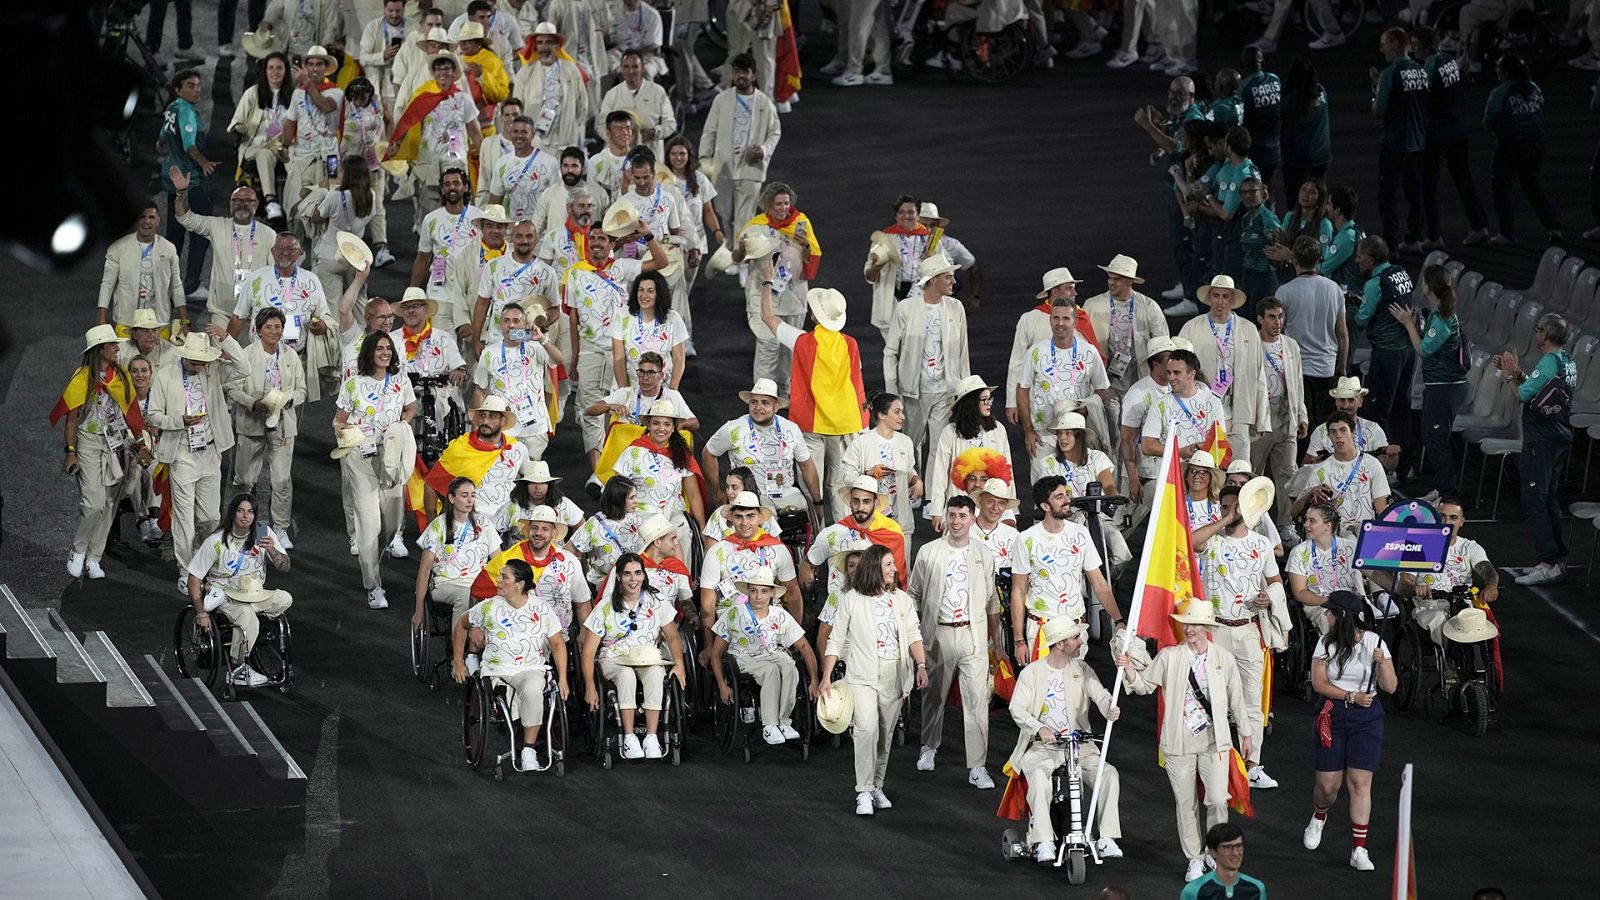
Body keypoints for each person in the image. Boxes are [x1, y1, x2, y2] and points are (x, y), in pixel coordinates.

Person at [1115, 604, 1252, 883]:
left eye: (1195, 624)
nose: (1189, 629)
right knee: (1185, 803)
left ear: (1207, 628)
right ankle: (1194, 858)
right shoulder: (1169, 656)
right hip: (1178, 743)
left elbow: (1237, 699)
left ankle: (1214, 852)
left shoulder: (1223, 658)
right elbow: (1143, 686)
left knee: (1218, 799)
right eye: (1186, 624)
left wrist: (1246, 734)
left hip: (1215, 741)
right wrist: (1128, 669)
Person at [820, 544, 928, 816]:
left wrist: (921, 664)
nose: (894, 569)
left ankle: (877, 785)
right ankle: (864, 790)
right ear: (874, 567)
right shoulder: (851, 600)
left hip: (894, 673)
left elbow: (914, 634)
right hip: (862, 675)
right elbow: (836, 640)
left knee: (884, 733)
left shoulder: (902, 600)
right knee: (866, 729)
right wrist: (825, 677)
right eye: (889, 564)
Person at [1006, 616, 1124, 865]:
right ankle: (1043, 840)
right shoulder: (1032, 673)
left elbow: (1101, 695)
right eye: (1075, 637)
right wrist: (1039, 727)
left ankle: (1106, 837)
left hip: (1080, 746)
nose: (1081, 641)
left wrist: (1109, 708)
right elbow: (1017, 709)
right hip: (1043, 747)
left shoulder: (1082, 669)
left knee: (1108, 774)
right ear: (1059, 644)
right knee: (1040, 777)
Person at [1192, 484, 1284, 789]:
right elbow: (1191, 541)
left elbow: (1275, 581)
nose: (1229, 511)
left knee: (1252, 701)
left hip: (1248, 630)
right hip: (1215, 630)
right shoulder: (1213, 540)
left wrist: (1269, 597)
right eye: (1224, 506)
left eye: (1235, 506)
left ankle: (1253, 765)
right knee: (1213, 700)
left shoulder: (1261, 544)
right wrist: (1225, 519)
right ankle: (1215, 764)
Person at [909, 495, 1001, 788]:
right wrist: (915, 637)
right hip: (938, 633)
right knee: (933, 695)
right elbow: (914, 595)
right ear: (946, 518)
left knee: (977, 701)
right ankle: (928, 747)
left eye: (962, 516)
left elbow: (991, 600)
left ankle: (977, 766)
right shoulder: (928, 552)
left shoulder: (983, 553)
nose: (956, 521)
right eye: (952, 515)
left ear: (972, 518)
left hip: (973, 636)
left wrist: (996, 644)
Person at [565, 219, 667, 477]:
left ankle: (620, 466)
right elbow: (573, 318)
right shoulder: (575, 272)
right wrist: (574, 357)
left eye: (602, 238)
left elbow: (662, 262)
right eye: (593, 238)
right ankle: (599, 473)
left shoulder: (622, 267)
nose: (596, 243)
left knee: (620, 405)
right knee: (590, 409)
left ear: (612, 244)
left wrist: (648, 235)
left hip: (620, 349)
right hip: (589, 349)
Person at [758, 281, 868, 518]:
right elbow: (857, 383)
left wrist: (767, 282)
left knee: (811, 488)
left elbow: (767, 317)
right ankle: (843, 536)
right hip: (845, 425)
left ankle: (817, 532)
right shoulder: (850, 344)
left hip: (811, 425)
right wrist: (864, 428)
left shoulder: (801, 340)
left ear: (817, 315)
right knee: (840, 487)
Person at [1305, 590, 1397, 872]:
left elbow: (1391, 687)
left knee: (1360, 782)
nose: (1326, 614)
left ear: (1341, 615)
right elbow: (1319, 683)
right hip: (1333, 714)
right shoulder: (1325, 642)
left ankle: (1359, 848)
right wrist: (1350, 696)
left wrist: (1382, 663)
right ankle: (1319, 815)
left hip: (1367, 718)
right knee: (1328, 787)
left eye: (1330, 611)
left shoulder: (1374, 642)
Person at [148, 329, 247, 590]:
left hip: (210, 452)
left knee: (211, 517)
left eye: (203, 362)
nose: (199, 366)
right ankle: (186, 570)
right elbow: (153, 415)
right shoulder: (165, 375)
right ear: (184, 357)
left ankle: (205, 563)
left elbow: (244, 367)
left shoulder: (214, 370)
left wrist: (226, 338)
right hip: (182, 452)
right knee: (184, 519)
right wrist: (179, 421)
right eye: (195, 363)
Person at [454, 557, 571, 772]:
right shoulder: (489, 606)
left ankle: (528, 750)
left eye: (504, 577)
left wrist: (563, 678)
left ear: (520, 584)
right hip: (496, 671)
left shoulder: (542, 608)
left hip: (530, 668)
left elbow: (557, 644)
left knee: (533, 688)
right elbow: (461, 625)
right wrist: (458, 661)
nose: (498, 581)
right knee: (511, 694)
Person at [333, 331, 419, 609]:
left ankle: (374, 556)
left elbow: (411, 408)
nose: (385, 353)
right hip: (361, 457)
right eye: (379, 348)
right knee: (369, 523)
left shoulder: (401, 380)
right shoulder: (353, 384)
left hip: (392, 456)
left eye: (388, 348)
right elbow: (338, 419)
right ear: (369, 352)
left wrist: (401, 426)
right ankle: (373, 585)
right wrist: (342, 430)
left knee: (392, 523)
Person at [55, 326, 147, 579]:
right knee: (93, 503)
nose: (118, 348)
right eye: (112, 345)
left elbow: (132, 412)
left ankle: (94, 557)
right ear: (99, 350)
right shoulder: (82, 379)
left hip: (116, 443)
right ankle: (78, 550)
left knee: (109, 503)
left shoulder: (121, 376)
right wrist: (70, 451)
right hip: (89, 442)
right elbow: (71, 419)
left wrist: (141, 443)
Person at [580, 552, 690, 760]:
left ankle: (651, 737)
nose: (633, 579)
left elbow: (673, 637)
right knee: (626, 675)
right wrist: (590, 686)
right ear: (619, 577)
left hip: (647, 656)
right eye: (627, 574)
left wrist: (679, 665)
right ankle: (629, 736)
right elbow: (588, 652)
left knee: (656, 674)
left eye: (638, 573)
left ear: (644, 575)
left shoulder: (656, 601)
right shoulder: (605, 606)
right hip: (614, 658)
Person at [1011, 476, 1125, 662]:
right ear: (1045, 506)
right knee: (1043, 681)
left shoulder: (1080, 533)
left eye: (1066, 494)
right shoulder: (1025, 539)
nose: (1067, 500)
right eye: (1059, 497)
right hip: (1042, 629)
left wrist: (1119, 620)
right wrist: (1018, 641)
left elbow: (1099, 583)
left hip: (1075, 628)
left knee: (1076, 680)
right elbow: (1018, 590)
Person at [185, 493, 294, 688]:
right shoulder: (216, 541)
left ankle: (252, 631)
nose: (246, 516)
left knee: (285, 598)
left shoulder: (263, 532)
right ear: (233, 513)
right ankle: (238, 669)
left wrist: (272, 550)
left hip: (255, 594)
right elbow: (193, 579)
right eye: (241, 511)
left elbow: (285, 566)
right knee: (247, 615)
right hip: (227, 597)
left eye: (250, 512)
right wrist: (201, 613)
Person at [1499, 313, 1577, 585]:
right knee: (1547, 497)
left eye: (1538, 329)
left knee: (1534, 499)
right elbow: (1542, 386)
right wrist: (1519, 374)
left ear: (1544, 334)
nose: (1536, 333)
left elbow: (1522, 395)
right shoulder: (1566, 360)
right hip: (1560, 435)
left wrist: (1508, 377)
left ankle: (1548, 562)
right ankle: (1557, 559)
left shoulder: (1547, 362)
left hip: (1542, 439)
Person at [709, 565, 819, 746]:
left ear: (772, 594)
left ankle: (783, 722)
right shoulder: (734, 614)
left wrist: (814, 680)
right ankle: (769, 725)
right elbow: (715, 654)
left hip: (773, 653)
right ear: (748, 592)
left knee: (789, 667)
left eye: (764, 591)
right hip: (743, 657)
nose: (758, 596)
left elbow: (805, 648)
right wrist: (722, 685)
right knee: (771, 670)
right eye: (754, 591)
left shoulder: (780, 615)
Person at [732, 183, 821, 393]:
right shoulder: (755, 227)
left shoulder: (801, 222)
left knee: (789, 349)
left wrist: (805, 245)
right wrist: (742, 249)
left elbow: (813, 257)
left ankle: (783, 393)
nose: (783, 208)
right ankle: (763, 394)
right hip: (763, 296)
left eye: (786, 203)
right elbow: (737, 258)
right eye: (778, 204)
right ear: (768, 205)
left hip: (794, 296)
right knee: (768, 345)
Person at [228, 308, 305, 542]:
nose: (274, 331)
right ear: (258, 330)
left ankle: (279, 529)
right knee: (244, 480)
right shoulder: (246, 355)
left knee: (281, 480)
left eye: (278, 327)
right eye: (268, 327)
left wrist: (287, 400)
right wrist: (253, 403)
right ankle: (241, 525)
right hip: (251, 423)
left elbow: (302, 390)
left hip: (282, 425)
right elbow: (232, 389)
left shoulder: (291, 356)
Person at [806, 476, 908, 652]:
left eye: (866, 501)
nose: (860, 507)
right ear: (850, 502)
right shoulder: (833, 533)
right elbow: (807, 565)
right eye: (856, 501)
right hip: (838, 608)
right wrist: (808, 607)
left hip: (879, 614)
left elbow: (897, 578)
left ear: (876, 503)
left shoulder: (891, 533)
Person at [1389, 264, 1466, 496]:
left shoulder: (1443, 320)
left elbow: (1424, 349)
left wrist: (1408, 324)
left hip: (1445, 389)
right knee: (1432, 439)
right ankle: (1442, 489)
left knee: (1436, 442)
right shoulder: (1436, 313)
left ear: (1429, 286)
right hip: (1439, 387)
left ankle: (1448, 495)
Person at [172, 168, 277, 329]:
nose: (241, 204)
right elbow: (185, 218)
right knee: (221, 347)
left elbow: (275, 273)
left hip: (255, 314)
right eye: (236, 200)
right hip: (221, 313)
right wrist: (181, 193)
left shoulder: (269, 234)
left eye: (247, 201)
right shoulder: (217, 225)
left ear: (256, 204)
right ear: (230, 204)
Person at [1178, 275, 1266, 463]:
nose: (1220, 301)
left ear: (1232, 300)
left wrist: (1262, 418)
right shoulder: (1192, 327)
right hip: (1201, 410)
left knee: (1240, 466)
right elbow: (1178, 370)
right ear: (1209, 298)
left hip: (1239, 410)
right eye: (1216, 295)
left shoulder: (1249, 329)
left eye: (1225, 296)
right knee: (1204, 465)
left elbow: (1259, 375)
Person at [1414, 27, 1490, 249]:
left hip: (1438, 132)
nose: (1412, 48)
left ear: (1425, 47)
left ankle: (1434, 236)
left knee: (1428, 184)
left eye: (1415, 44)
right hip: (1458, 128)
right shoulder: (1448, 61)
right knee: (1463, 179)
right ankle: (1480, 226)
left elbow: (1422, 100)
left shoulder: (1429, 68)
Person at [1030, 410, 1133, 571]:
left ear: (1079, 436)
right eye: (1059, 433)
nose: (1062, 438)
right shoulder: (1048, 463)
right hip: (1067, 519)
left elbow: (1108, 485)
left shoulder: (1097, 457)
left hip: (1098, 516)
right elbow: (1048, 494)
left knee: (1122, 554)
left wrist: (1113, 497)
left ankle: (1107, 581)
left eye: (1068, 433)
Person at [702, 378, 821, 516]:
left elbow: (806, 465)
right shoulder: (733, 428)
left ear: (776, 407)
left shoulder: (791, 429)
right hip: (748, 495)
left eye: (765, 403)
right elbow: (708, 453)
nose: (758, 407)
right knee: (766, 513)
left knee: (803, 508)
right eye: (754, 402)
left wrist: (818, 502)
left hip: (785, 492)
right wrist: (717, 490)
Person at [1392, 496, 1500, 645]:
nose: (1447, 522)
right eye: (1442, 516)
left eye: (1453, 518)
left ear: (1461, 521)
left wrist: (1491, 585)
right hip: (1430, 607)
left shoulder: (1469, 547)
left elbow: (1487, 570)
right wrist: (1415, 588)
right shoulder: (1419, 547)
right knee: (1440, 619)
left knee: (1478, 623)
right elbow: (1403, 583)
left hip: (1463, 606)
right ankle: (1447, 660)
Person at [698, 490, 803, 639]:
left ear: (760, 518)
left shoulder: (777, 549)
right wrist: (709, 644)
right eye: (738, 517)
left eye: (750, 516)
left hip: (771, 624)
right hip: (731, 627)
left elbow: (793, 593)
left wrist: (795, 637)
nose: (744, 522)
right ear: (731, 519)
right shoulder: (717, 552)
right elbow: (707, 604)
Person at [1082, 254, 1170, 428]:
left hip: (1140, 382)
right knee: (1112, 433)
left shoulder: (1148, 306)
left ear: (1129, 281)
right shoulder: (1092, 306)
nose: (1111, 282)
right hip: (1107, 383)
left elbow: (1163, 346)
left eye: (1117, 279)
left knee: (1140, 430)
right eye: (1110, 278)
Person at [1484, 53, 1563, 246]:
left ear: (1505, 72)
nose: (1497, 71)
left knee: (1501, 188)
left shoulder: (1500, 92)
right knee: (1532, 185)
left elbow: (1488, 121)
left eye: (1499, 68)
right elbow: (1540, 109)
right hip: (1536, 142)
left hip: (1511, 144)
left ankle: (1506, 233)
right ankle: (1553, 227)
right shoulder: (1533, 88)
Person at [700, 53, 782, 235]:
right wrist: (704, 159)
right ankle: (731, 249)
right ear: (732, 74)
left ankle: (741, 252)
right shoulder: (721, 100)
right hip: (723, 167)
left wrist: (764, 150)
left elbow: (775, 132)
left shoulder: (764, 103)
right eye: (737, 71)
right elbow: (709, 131)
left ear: (754, 75)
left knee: (744, 218)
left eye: (745, 72)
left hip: (751, 168)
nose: (741, 76)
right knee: (725, 216)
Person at [473, 505, 593, 628]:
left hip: (560, 634)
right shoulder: (508, 559)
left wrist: (584, 633)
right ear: (528, 530)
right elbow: (481, 592)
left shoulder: (568, 561)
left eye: (545, 529)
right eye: (534, 528)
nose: (538, 533)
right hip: (515, 632)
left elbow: (582, 603)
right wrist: (480, 628)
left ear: (553, 533)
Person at [613, 399, 706, 551]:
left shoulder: (682, 455)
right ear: (648, 425)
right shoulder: (633, 451)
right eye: (656, 423)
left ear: (673, 428)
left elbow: (694, 495)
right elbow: (617, 489)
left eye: (667, 424)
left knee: (683, 531)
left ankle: (681, 568)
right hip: (641, 513)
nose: (661, 428)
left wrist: (702, 527)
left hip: (673, 514)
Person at [472, 302, 564, 454]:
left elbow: (559, 359)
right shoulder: (489, 352)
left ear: (525, 324)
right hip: (504, 427)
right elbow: (479, 390)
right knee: (506, 467)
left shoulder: (536, 347)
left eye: (516, 321)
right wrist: (478, 423)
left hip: (535, 425)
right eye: (506, 321)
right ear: (500, 325)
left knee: (533, 468)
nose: (511, 325)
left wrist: (542, 339)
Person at [159, 69, 217, 301]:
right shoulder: (186, 112)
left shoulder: (171, 108)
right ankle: (191, 286)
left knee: (174, 234)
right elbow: (189, 145)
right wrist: (204, 163)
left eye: (198, 85)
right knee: (200, 232)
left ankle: (166, 285)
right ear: (178, 90)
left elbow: (162, 138)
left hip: (171, 178)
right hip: (191, 181)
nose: (197, 90)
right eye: (190, 86)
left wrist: (162, 143)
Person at [1275, 235, 1347, 426]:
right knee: (1324, 426)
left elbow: (1277, 331)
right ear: (1319, 259)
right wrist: (1342, 367)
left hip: (1297, 369)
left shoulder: (1284, 291)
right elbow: (1342, 333)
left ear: (1294, 259)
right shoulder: (1335, 290)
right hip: (1327, 368)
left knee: (1300, 425)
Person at [415, 475, 501, 630]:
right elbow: (424, 570)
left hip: (478, 582)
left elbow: (499, 562)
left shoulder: (484, 523)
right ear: (452, 498)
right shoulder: (438, 526)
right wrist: (419, 609)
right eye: (464, 495)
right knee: (466, 594)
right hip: (445, 584)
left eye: (472, 495)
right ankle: (459, 644)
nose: (470, 500)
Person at [1351, 236, 1415, 441]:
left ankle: (1381, 456)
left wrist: (1347, 312)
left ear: (1370, 259)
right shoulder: (1400, 272)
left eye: (1359, 256)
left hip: (1387, 352)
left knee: (1378, 408)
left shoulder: (1374, 284)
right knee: (1401, 405)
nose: (1356, 260)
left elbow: (1361, 319)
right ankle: (1403, 456)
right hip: (1407, 350)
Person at [926, 376, 1010, 531]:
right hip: (959, 505)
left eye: (989, 399)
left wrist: (1011, 510)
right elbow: (940, 473)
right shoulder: (950, 432)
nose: (989, 404)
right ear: (971, 403)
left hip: (991, 505)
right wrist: (937, 510)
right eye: (984, 400)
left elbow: (1006, 471)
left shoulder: (998, 429)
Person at [1371, 27, 1428, 253]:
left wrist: (1376, 89)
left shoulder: (1390, 74)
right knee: (1415, 193)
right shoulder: (1421, 71)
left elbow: (1379, 110)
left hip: (1394, 143)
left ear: (1395, 43)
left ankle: (1391, 245)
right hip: (1418, 142)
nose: (1381, 49)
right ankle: (1415, 238)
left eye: (1384, 44)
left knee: (1388, 196)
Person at [1291, 413, 1392, 533]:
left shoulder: (1372, 464)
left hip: (1364, 533)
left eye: (1343, 430)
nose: (1338, 436)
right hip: (1332, 536)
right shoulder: (1320, 470)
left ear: (1353, 433)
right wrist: (1311, 493)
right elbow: (1293, 512)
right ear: (1329, 436)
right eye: (1333, 432)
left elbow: (1381, 508)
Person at [97, 204, 186, 337]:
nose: (147, 221)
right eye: (142, 217)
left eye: (151, 217)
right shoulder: (118, 248)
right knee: (126, 352)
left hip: (159, 323)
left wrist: (184, 320)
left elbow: (176, 285)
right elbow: (107, 285)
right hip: (127, 322)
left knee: (162, 352)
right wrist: (101, 317)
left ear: (158, 220)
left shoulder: (169, 249)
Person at [1253, 297, 1307, 514]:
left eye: (1280, 316)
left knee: (1288, 476)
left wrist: (1301, 415)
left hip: (1286, 418)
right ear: (1260, 319)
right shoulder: (1251, 344)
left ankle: (1287, 524)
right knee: (1254, 474)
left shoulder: (1291, 345)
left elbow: (1298, 382)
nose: (1278, 322)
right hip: (1259, 420)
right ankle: (1254, 521)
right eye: (1272, 317)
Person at [281, 47, 346, 223]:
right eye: (310, 64)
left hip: (330, 157)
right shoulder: (298, 93)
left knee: (328, 201)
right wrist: (283, 146)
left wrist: (306, 83)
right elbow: (291, 122)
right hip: (303, 156)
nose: (315, 68)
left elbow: (325, 106)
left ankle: (323, 240)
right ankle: (298, 240)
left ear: (326, 68)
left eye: (319, 64)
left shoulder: (336, 92)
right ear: (305, 67)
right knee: (297, 203)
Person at [228, 52, 293, 223]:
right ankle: (271, 201)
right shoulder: (252, 93)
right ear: (264, 71)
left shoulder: (294, 95)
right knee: (264, 154)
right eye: (270, 68)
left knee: (301, 162)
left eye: (279, 68)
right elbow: (236, 121)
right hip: (256, 145)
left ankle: (296, 207)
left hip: (283, 145)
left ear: (286, 71)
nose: (275, 72)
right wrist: (239, 127)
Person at [839, 394, 921, 529]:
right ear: (882, 415)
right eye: (897, 412)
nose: (902, 417)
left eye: (902, 412)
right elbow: (846, 475)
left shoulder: (905, 441)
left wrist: (916, 480)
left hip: (901, 520)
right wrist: (867, 474)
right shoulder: (861, 442)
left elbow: (909, 469)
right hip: (871, 521)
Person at [1140, 348, 1228, 466]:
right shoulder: (1160, 405)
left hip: (1203, 471)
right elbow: (1147, 446)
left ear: (1192, 374)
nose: (1171, 377)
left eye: (1176, 373)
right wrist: (1180, 451)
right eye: (1168, 372)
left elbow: (1220, 443)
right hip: (1172, 473)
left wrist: (1203, 447)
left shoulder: (1213, 402)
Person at [308, 156, 379, 303]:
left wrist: (322, 191)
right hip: (355, 257)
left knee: (331, 305)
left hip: (330, 256)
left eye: (341, 171)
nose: (338, 174)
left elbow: (316, 217)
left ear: (348, 175)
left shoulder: (335, 197)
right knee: (358, 303)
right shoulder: (371, 196)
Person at [511, 23, 590, 151]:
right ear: (535, 46)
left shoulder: (571, 70)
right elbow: (517, 109)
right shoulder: (525, 73)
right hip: (535, 145)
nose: (544, 47)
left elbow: (582, 106)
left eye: (549, 42)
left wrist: (575, 133)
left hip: (566, 144)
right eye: (540, 42)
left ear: (557, 45)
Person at [1286, 502, 1362, 634]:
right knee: (1328, 620)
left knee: (1358, 618)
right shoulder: (1299, 552)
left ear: (1328, 526)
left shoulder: (1351, 548)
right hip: (1318, 604)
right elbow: (1300, 592)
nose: (1305, 525)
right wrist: (1331, 602)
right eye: (1306, 520)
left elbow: (1373, 574)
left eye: (1312, 521)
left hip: (1349, 602)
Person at [611, 272, 687, 389]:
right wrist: (624, 391)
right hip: (630, 386)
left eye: (650, 291)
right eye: (641, 290)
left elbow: (679, 358)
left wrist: (672, 390)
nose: (644, 295)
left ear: (659, 294)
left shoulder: (673, 319)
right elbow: (618, 358)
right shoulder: (622, 317)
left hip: (663, 387)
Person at [1304, 377, 1398, 469]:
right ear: (1336, 401)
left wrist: (1392, 457)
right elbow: (1304, 467)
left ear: (1360, 402)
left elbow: (1389, 466)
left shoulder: (1373, 429)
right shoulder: (1320, 431)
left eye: (1351, 400)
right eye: (1342, 400)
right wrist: (1313, 466)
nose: (1345, 405)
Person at [568, 476, 643, 589]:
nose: (636, 501)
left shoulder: (638, 517)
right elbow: (568, 550)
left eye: (636, 496)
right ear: (618, 499)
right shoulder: (594, 524)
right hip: (606, 585)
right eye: (632, 498)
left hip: (636, 581)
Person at [600, 49, 677, 160]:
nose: (630, 71)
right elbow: (601, 125)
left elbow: (670, 124)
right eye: (626, 67)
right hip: (619, 159)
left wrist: (654, 132)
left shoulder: (657, 92)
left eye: (635, 67)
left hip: (651, 157)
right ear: (621, 69)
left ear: (642, 68)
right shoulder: (612, 95)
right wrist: (617, 137)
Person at [1280, 59, 1332, 201]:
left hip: (1299, 158)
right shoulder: (1321, 92)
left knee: (1296, 197)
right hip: (1322, 154)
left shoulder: (1291, 100)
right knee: (1319, 195)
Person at [1179, 823, 1268, 898]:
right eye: (1227, 847)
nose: (1235, 853)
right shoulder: (1193, 891)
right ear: (1213, 852)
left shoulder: (1256, 889)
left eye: (1238, 846)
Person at [1237, 48, 1282, 196]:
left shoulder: (1243, 88)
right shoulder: (1275, 80)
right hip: (1275, 150)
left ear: (1243, 64)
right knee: (1268, 191)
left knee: (1252, 195)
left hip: (1254, 153)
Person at [358, 0, 411, 117]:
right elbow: (363, 58)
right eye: (390, 11)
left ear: (404, 9)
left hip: (404, 87)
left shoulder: (412, 28)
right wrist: (383, 56)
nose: (394, 15)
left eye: (398, 11)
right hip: (381, 90)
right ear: (384, 9)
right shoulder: (373, 27)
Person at [1319, 185, 1365, 293]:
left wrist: (1292, 258)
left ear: (1337, 210)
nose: (1325, 207)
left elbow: (1322, 269)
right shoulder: (1356, 230)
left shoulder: (1346, 237)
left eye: (1328, 204)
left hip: (1350, 299)